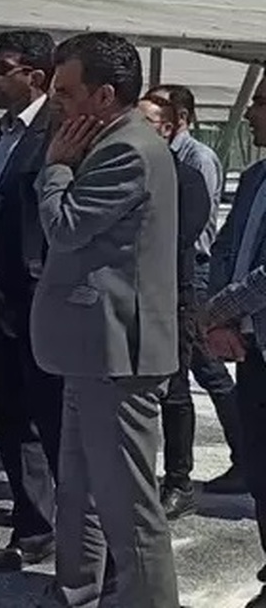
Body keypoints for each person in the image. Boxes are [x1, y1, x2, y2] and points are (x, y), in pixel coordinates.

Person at [32, 33, 180, 608]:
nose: (57, 102)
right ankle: (76, 592)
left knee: (129, 511)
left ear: (105, 95)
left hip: (118, 356)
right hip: (92, 352)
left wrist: (56, 169)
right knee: (81, 493)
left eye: (67, 92)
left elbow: (65, 228)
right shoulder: (112, 142)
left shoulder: (127, 150)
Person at [0, 30, 61, 572]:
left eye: (1, 68)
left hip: (40, 303)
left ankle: (84, 546)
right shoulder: (2, 134)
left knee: (55, 424)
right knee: (10, 419)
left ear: (36, 75)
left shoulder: (59, 131)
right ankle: (33, 527)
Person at [147, 82, 247, 498]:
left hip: (193, 272)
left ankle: (245, 454)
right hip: (176, 273)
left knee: (206, 368)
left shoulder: (195, 159)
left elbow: (195, 224)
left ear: (178, 120)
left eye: (156, 111)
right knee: (194, 372)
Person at [197, 73, 266, 608]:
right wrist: (219, 322)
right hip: (253, 350)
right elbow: (224, 248)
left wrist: (215, 311)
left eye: (260, 103)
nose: (249, 113)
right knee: (261, 471)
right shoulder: (257, 176)